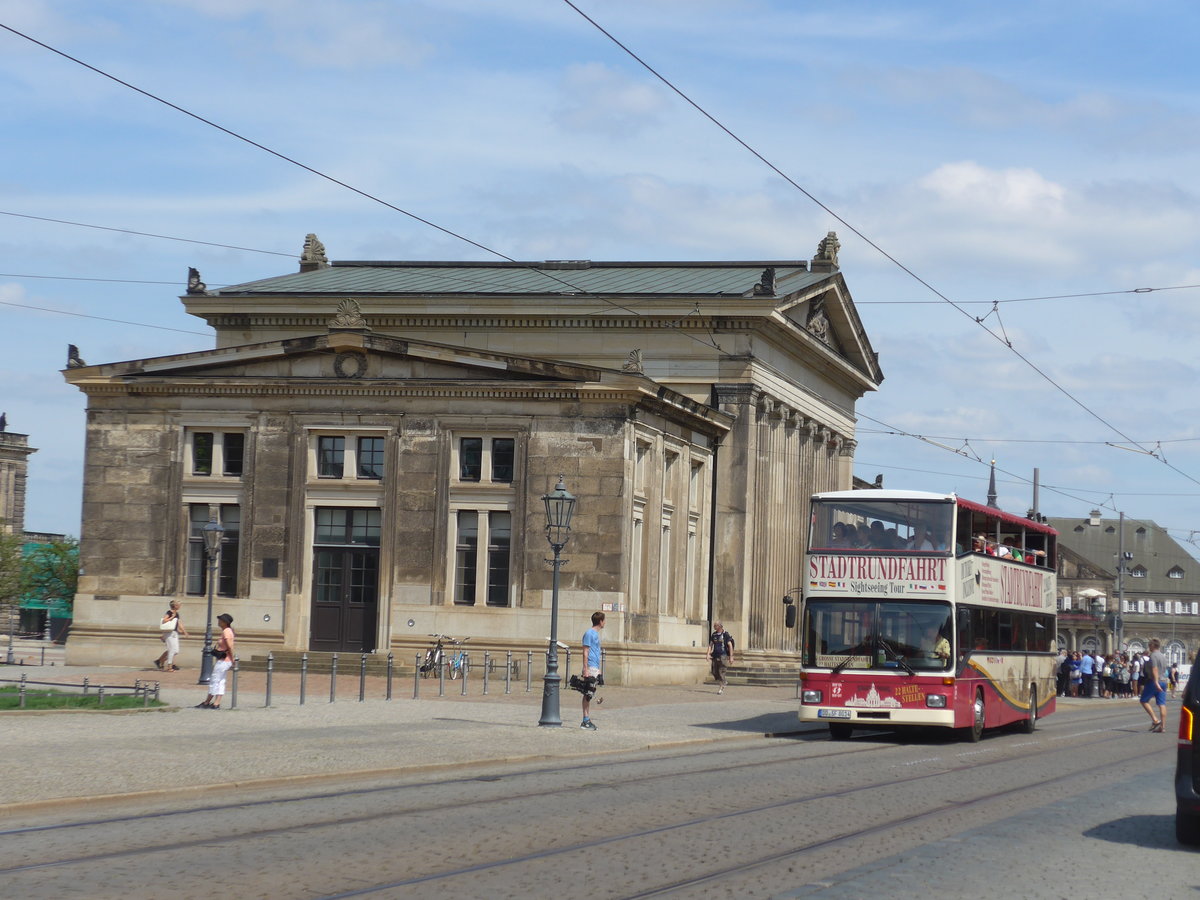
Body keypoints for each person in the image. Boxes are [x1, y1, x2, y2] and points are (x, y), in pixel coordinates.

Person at [197, 613, 235, 710]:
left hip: (224, 660)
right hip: (226, 660)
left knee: (215, 680)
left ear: (225, 622)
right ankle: (216, 703)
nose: (218, 621)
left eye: (220, 620)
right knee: (221, 681)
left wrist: (233, 658)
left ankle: (207, 702)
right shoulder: (228, 631)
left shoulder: (226, 631)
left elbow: (230, 646)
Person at [580, 611, 605, 730]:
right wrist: (585, 669)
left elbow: (595, 653)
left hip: (594, 667)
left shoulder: (595, 634)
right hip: (590, 667)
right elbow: (586, 652)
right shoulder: (589, 634)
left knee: (590, 692)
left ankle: (587, 719)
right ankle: (585, 720)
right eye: (604, 620)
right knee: (588, 694)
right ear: (600, 621)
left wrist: (598, 670)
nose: (604, 622)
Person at [1140, 639, 1169, 733]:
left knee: (1143, 700)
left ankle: (1155, 720)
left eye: (1149, 645)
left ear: (1153, 646)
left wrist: (1156, 682)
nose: (1149, 647)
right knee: (1162, 704)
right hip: (1164, 681)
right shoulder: (1163, 656)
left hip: (1155, 681)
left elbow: (1155, 669)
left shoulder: (1153, 655)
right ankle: (1163, 727)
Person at [154, 599, 188, 671]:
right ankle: (169, 666)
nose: (180, 606)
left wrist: (184, 631)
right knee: (171, 649)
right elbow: (164, 620)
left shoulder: (177, 614)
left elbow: (178, 623)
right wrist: (172, 617)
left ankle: (160, 661)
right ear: (175, 606)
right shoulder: (169, 612)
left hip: (174, 633)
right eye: (178, 605)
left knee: (176, 650)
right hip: (169, 632)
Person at [706, 621, 735, 694]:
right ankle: (724, 681)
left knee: (721, 671)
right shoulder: (714, 634)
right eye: (714, 625)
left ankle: (721, 686)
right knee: (714, 671)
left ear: (720, 626)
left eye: (715, 625)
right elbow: (710, 645)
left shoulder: (725, 634)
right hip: (715, 655)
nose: (714, 627)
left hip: (723, 656)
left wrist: (731, 657)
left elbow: (730, 645)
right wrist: (708, 654)